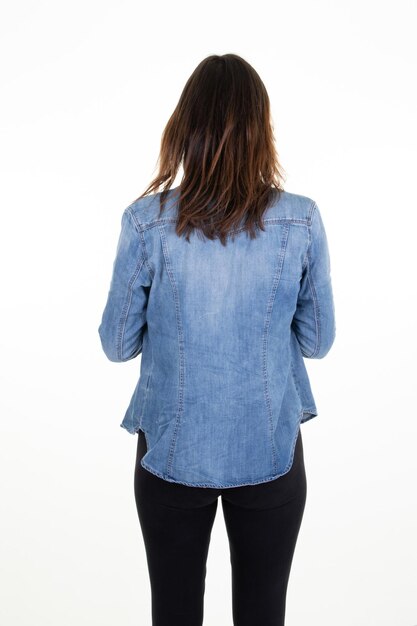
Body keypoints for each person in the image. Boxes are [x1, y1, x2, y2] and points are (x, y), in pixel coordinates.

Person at [98, 53, 336, 626]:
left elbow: (116, 343)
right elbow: (319, 339)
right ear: (262, 130)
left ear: (185, 128)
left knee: (174, 615)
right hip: (272, 452)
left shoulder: (146, 221)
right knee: (263, 615)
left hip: (172, 455)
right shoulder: (300, 220)